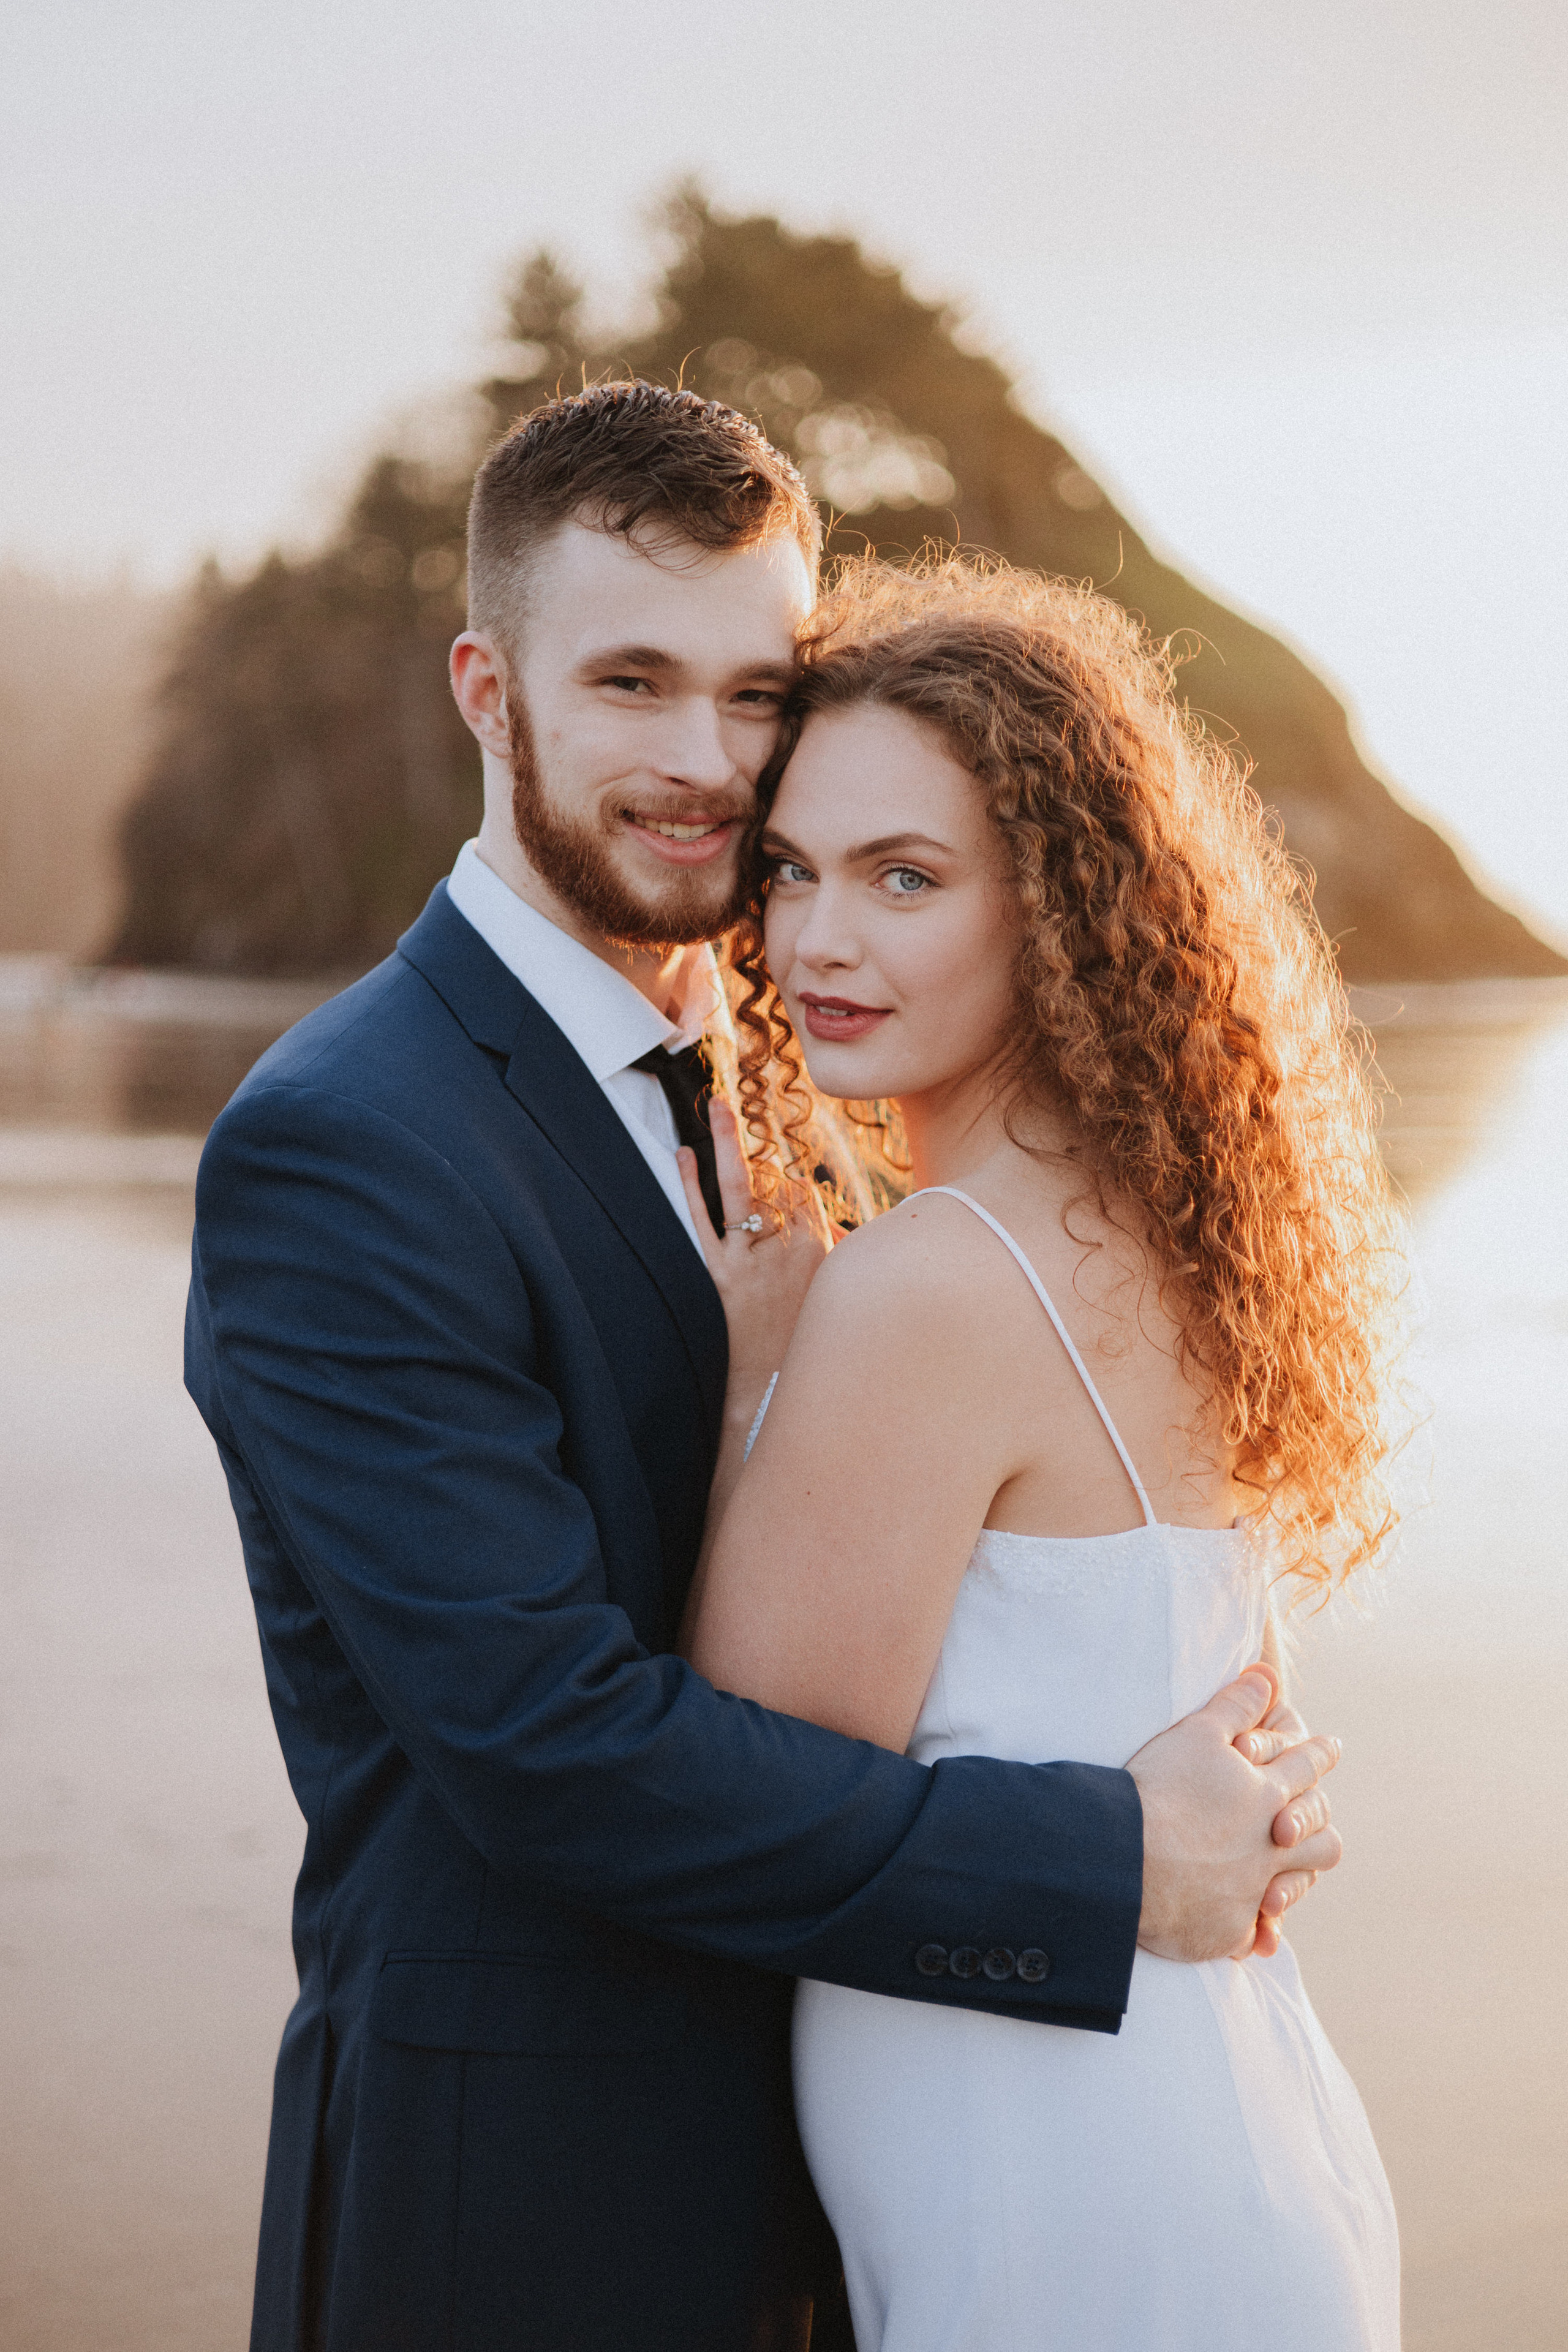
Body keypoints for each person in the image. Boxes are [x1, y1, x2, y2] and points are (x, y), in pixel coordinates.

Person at [186, 385, 1346, 2352]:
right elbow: (549, 1748)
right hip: (539, 2223)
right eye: (632, 681)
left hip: (882, 2194)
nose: (708, 763)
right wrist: (1107, 1857)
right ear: (487, 688)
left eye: (757, 691)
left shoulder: (809, 1081)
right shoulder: (349, 1142)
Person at [684, 555, 1404, 2350]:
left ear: (1057, 910)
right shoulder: (1170, 1235)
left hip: (1062, 2189)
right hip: (1220, 2128)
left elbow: (740, 1799)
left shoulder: (930, 1283)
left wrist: (737, 1396)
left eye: (904, 877)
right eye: (792, 871)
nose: (818, 941)